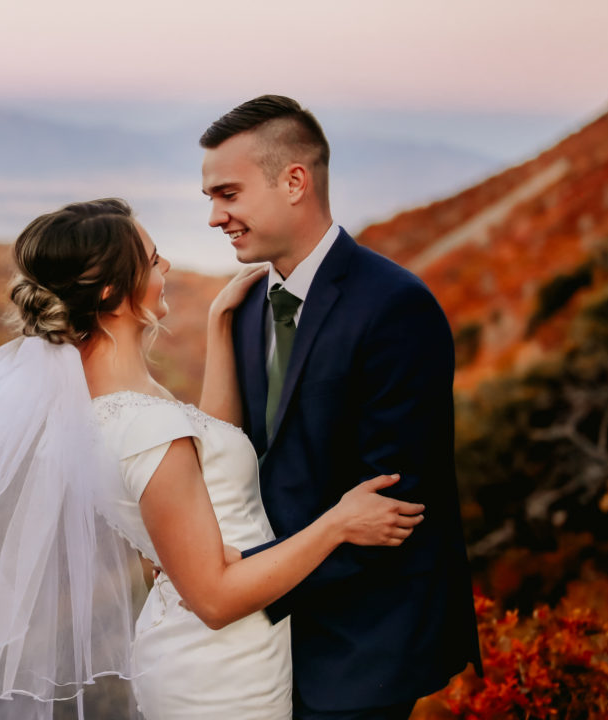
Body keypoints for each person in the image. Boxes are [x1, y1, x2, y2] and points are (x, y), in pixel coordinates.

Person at [0, 198, 426, 719]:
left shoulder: (109, 403)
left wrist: (221, 324)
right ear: (114, 292)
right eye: (151, 259)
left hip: (210, 645)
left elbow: (204, 451)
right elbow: (215, 599)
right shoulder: (147, 427)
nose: (165, 266)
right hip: (221, 668)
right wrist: (339, 523)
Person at [200, 95, 482, 720]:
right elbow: (243, 455)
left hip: (362, 644)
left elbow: (395, 504)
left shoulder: (395, 307)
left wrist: (244, 581)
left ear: (294, 180)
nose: (216, 217)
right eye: (210, 200)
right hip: (262, 635)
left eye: (228, 193)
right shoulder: (245, 307)